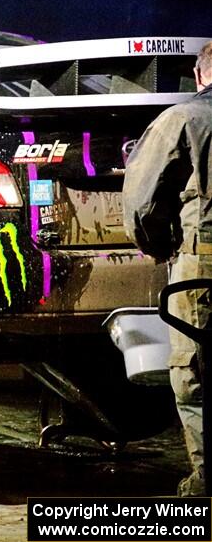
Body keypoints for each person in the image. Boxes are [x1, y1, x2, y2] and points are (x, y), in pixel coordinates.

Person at [123, 40, 212, 496]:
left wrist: (162, 248)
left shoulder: (185, 119)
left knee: (195, 375)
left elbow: (142, 202)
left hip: (204, 270)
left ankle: (206, 487)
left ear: (200, 75)